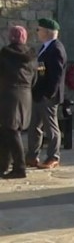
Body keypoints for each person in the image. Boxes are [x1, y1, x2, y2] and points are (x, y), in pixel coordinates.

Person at [26, 18, 66, 170]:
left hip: (47, 96)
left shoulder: (56, 48)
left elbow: (56, 75)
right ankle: (32, 156)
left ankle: (53, 157)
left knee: (51, 127)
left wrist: (49, 94)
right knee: (34, 126)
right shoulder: (45, 47)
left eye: (39, 29)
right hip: (38, 93)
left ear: (47, 32)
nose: (37, 32)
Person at [0, 26, 36, 179]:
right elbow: (35, 79)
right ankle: (2, 165)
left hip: (9, 95)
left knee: (12, 132)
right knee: (7, 132)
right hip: (25, 95)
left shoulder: (5, 55)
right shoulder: (32, 57)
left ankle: (19, 167)